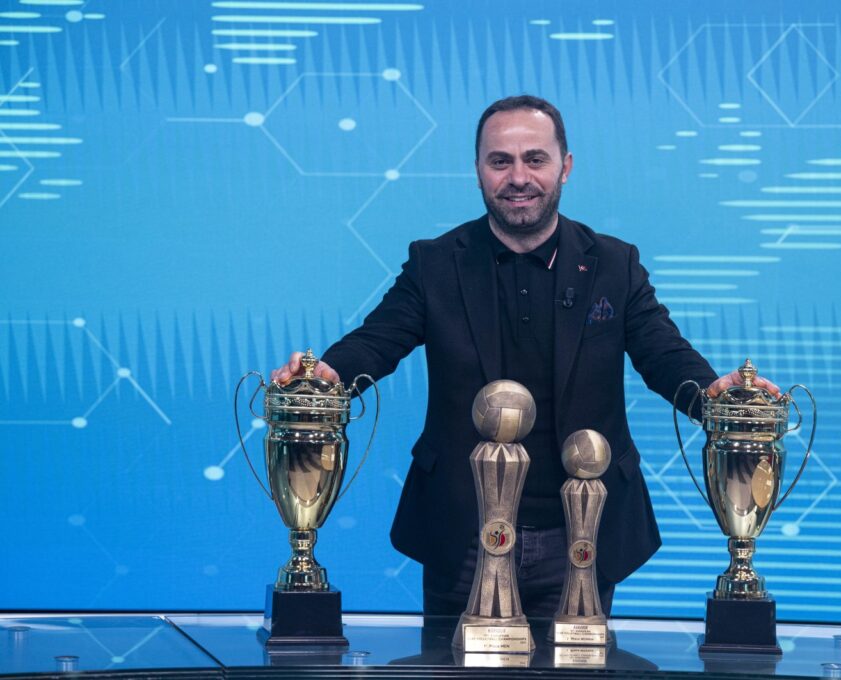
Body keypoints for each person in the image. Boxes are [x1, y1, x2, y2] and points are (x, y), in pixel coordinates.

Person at [272, 95, 779, 619]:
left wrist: (717, 395)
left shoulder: (613, 264)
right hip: (463, 533)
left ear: (566, 166)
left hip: (583, 533)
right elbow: (377, 340)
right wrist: (327, 375)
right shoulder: (435, 263)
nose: (519, 177)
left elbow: (663, 353)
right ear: (478, 172)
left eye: (535, 159)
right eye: (501, 161)